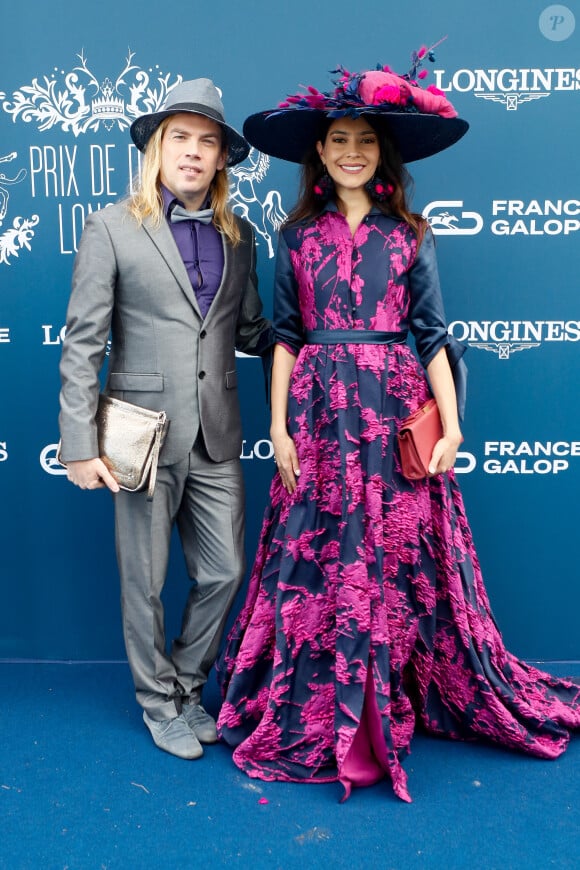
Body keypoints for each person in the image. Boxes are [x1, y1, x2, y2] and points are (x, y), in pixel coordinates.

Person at [216, 49, 580, 802]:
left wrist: (452, 428)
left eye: (365, 141)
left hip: (392, 410)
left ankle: (391, 695)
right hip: (317, 414)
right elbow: (285, 336)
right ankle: (324, 706)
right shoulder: (294, 238)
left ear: (382, 155)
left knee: (393, 551)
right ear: (319, 153)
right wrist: (279, 429)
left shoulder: (410, 234)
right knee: (320, 557)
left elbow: (432, 337)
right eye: (338, 140)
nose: (351, 152)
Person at [58, 79, 272, 760]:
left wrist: (335, 334)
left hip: (217, 430)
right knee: (143, 582)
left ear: (221, 160)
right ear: (156, 148)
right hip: (139, 437)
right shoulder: (111, 227)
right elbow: (82, 341)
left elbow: (252, 328)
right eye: (180, 137)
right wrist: (76, 445)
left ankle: (183, 682)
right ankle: (157, 704)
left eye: (207, 142)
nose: (193, 152)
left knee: (225, 572)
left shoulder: (240, 237)